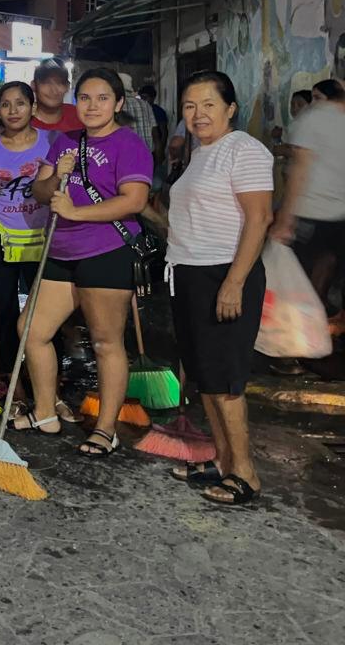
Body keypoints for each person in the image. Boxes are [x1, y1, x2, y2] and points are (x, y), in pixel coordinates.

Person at [15, 69, 152, 456]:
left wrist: (75, 212)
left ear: (118, 104)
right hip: (61, 252)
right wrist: (55, 177)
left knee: (106, 342)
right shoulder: (64, 142)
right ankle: (45, 411)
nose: (93, 106)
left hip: (106, 251)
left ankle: (105, 429)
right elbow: (40, 192)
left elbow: (134, 201)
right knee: (31, 329)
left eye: (103, 98)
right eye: (86, 98)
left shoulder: (129, 144)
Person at [166, 71, 273, 506]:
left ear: (230, 109)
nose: (198, 114)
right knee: (206, 379)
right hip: (189, 272)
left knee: (226, 381)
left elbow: (259, 219)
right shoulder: (200, 153)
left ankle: (245, 473)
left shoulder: (244, 150)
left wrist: (233, 283)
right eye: (190, 106)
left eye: (209, 104)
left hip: (223, 274)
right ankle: (221, 458)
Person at [0, 81, 51, 391]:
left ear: (33, 108)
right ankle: (10, 379)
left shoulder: (51, 143)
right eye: (5, 104)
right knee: (4, 307)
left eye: (20, 103)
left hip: (40, 237)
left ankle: (42, 375)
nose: (13, 110)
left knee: (42, 309)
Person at [273, 77, 345, 315]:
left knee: (302, 272)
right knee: (328, 263)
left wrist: (284, 218)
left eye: (315, 97)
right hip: (338, 216)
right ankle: (316, 315)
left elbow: (300, 170)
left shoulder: (311, 119)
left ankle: (303, 322)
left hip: (311, 212)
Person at [31, 60, 83, 133]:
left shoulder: (80, 116)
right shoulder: (21, 121)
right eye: (46, 82)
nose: (53, 90)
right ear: (33, 85)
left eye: (59, 83)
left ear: (67, 87)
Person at [118, 72, 156, 152]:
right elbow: (154, 130)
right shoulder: (145, 104)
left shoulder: (116, 105)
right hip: (146, 153)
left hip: (126, 153)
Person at [139, 83, 169, 167]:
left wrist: (160, 149)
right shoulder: (139, 110)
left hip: (154, 148)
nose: (143, 101)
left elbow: (164, 132)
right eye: (141, 98)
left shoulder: (158, 111)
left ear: (153, 98)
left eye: (145, 98)